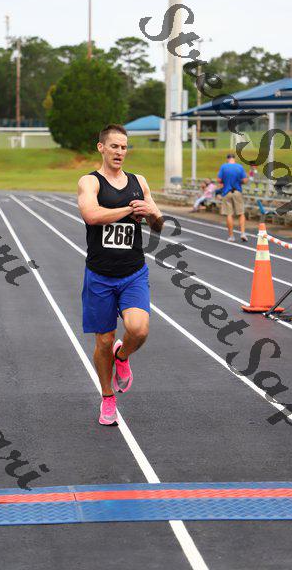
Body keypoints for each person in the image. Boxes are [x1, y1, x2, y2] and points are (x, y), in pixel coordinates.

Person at [78, 124, 164, 426]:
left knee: (138, 330)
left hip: (133, 272)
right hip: (100, 275)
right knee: (103, 341)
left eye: (124, 147)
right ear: (101, 147)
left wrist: (151, 213)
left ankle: (123, 357)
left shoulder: (139, 181)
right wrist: (129, 210)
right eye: (114, 146)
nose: (119, 152)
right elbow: (91, 215)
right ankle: (107, 397)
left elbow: (158, 225)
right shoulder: (90, 182)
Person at [217, 153, 248, 242]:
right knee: (241, 213)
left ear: (227, 159)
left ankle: (231, 236)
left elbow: (219, 180)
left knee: (229, 214)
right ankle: (242, 233)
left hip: (227, 192)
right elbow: (245, 180)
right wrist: (240, 182)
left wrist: (225, 181)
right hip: (237, 191)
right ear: (234, 159)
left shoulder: (223, 167)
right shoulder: (239, 167)